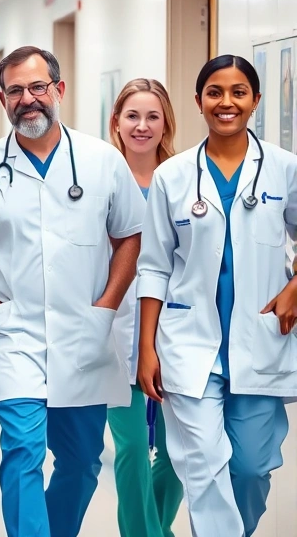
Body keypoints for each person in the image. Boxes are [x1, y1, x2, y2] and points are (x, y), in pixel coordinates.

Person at [0, 46, 146, 537]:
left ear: (58, 90)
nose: (27, 99)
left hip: (86, 333)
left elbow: (129, 239)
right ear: (1, 99)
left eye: (38, 87)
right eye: (16, 90)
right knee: (21, 453)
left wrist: (105, 307)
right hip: (13, 334)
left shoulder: (103, 161)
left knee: (80, 463)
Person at [137, 55, 297, 537]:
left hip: (260, 338)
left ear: (256, 101)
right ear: (199, 101)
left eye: (239, 92)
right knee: (203, 465)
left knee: (248, 469)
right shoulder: (174, 176)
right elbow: (154, 265)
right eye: (215, 92)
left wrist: (295, 287)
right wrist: (146, 348)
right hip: (188, 344)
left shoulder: (284, 168)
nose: (226, 102)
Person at [105, 78, 184, 537]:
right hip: (118, 333)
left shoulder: (183, 177)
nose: (142, 125)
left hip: (178, 329)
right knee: (133, 447)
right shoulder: (99, 179)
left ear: (166, 122)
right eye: (132, 115)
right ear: (116, 121)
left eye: (152, 116)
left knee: (177, 452)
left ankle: (153, 530)